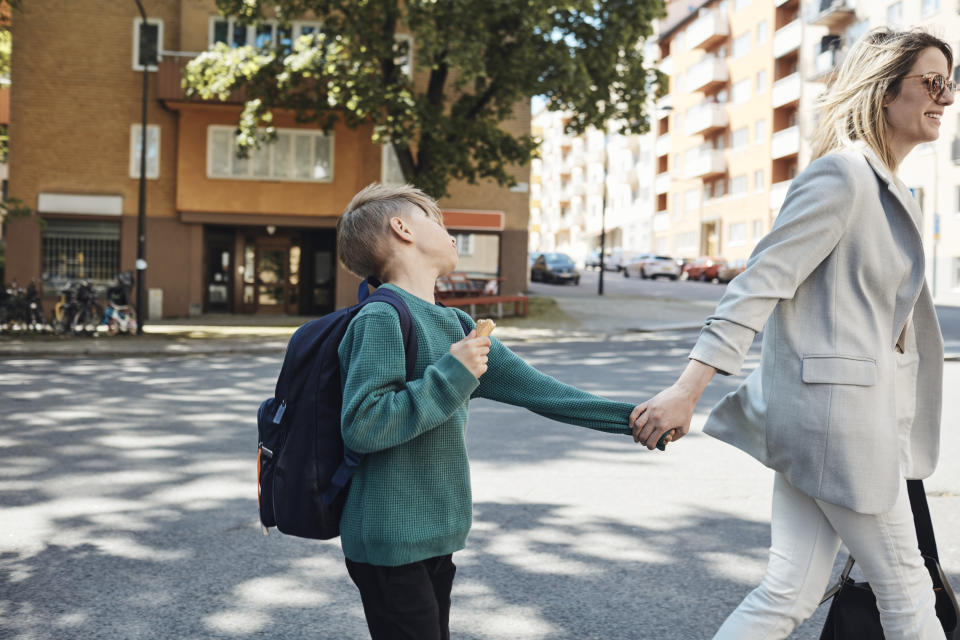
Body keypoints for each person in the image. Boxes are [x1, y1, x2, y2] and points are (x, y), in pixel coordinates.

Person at [631, 28, 953, 639]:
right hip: (843, 428)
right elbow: (758, 284)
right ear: (885, 90)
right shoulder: (842, 177)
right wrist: (687, 389)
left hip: (838, 424)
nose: (947, 96)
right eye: (932, 81)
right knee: (908, 590)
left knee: (789, 588)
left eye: (951, 82)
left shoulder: (890, 188)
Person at [335, 182, 643, 640]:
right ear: (402, 229)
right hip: (388, 539)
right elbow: (364, 424)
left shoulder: (456, 324)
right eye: (435, 221)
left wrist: (635, 419)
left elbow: (541, 391)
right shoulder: (380, 318)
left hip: (437, 533)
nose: (450, 233)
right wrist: (452, 374)